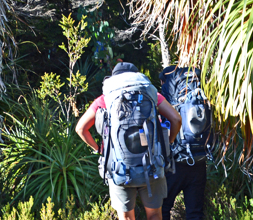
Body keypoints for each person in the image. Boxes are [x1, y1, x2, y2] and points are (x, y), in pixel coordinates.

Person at [75, 62, 182, 220]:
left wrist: (99, 149)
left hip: (119, 167)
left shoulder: (105, 99)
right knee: (154, 215)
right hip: (152, 163)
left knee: (126, 217)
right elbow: (176, 119)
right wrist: (169, 142)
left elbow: (80, 128)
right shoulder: (151, 94)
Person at [159, 65, 209, 220]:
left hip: (176, 161)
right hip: (199, 158)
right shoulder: (198, 96)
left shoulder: (167, 96)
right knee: (195, 212)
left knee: (163, 209)